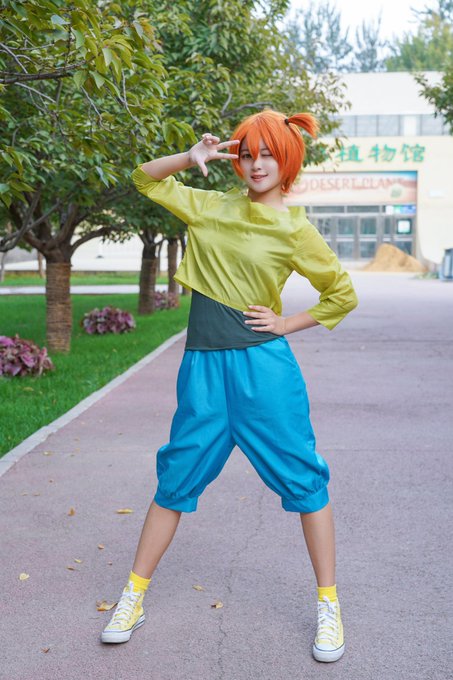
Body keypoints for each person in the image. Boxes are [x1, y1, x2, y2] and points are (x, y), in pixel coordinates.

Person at [100, 109, 358, 663]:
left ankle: (329, 604)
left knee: (305, 480)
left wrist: (285, 323)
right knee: (175, 477)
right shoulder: (210, 205)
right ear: (236, 161)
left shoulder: (296, 229)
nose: (257, 164)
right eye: (247, 154)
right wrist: (189, 157)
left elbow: (341, 294)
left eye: (268, 154)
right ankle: (132, 597)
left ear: (287, 160)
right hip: (203, 372)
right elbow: (145, 179)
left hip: (265, 374)